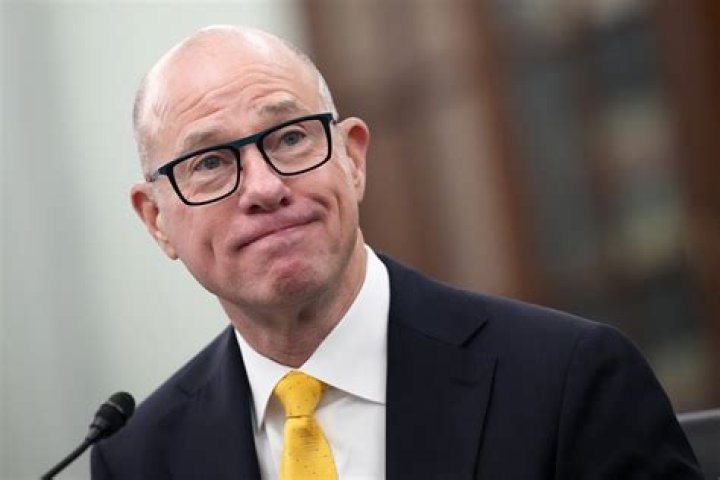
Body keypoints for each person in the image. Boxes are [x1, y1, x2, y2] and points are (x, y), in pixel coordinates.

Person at [91, 25, 702, 479]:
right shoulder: (138, 457)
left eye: (291, 137)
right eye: (209, 163)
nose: (265, 187)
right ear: (157, 221)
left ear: (353, 158)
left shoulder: (568, 380)